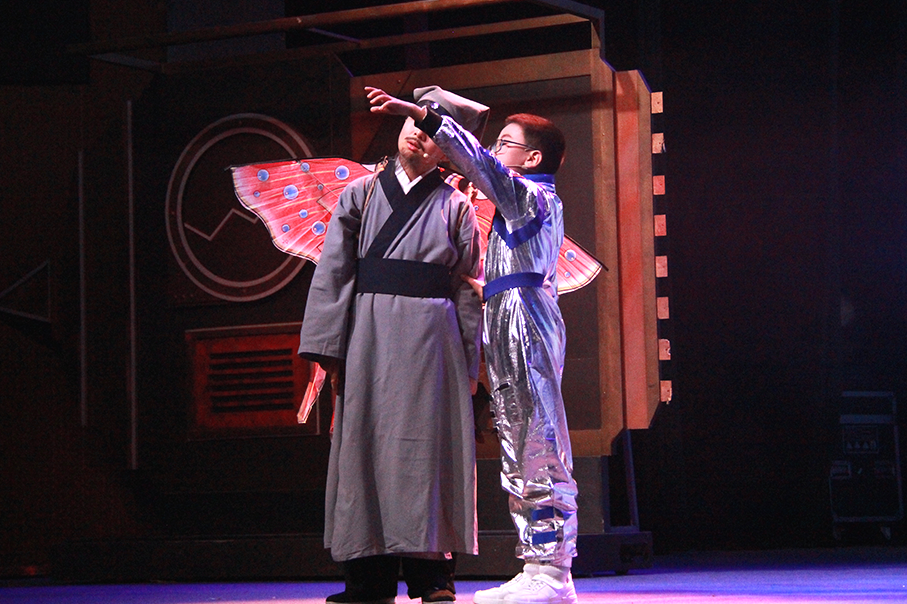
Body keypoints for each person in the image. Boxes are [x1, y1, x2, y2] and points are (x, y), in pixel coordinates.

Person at [367, 86, 579, 604]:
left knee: (536, 440)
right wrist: (485, 288)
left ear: (532, 158)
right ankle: (537, 564)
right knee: (517, 436)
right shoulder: (521, 204)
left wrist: (423, 115)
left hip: (525, 321)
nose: (495, 150)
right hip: (511, 311)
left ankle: (551, 571)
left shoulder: (529, 195)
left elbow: (478, 162)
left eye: (506, 143)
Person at [298, 87, 488, 604]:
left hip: (434, 342)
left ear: (449, 149)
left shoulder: (457, 207)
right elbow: (334, 271)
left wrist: (470, 362)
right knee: (365, 447)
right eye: (413, 124)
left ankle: (432, 578)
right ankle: (369, 579)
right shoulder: (360, 193)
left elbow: (468, 287)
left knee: (430, 451)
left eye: (431, 133)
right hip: (370, 334)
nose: (417, 136)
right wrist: (328, 347)